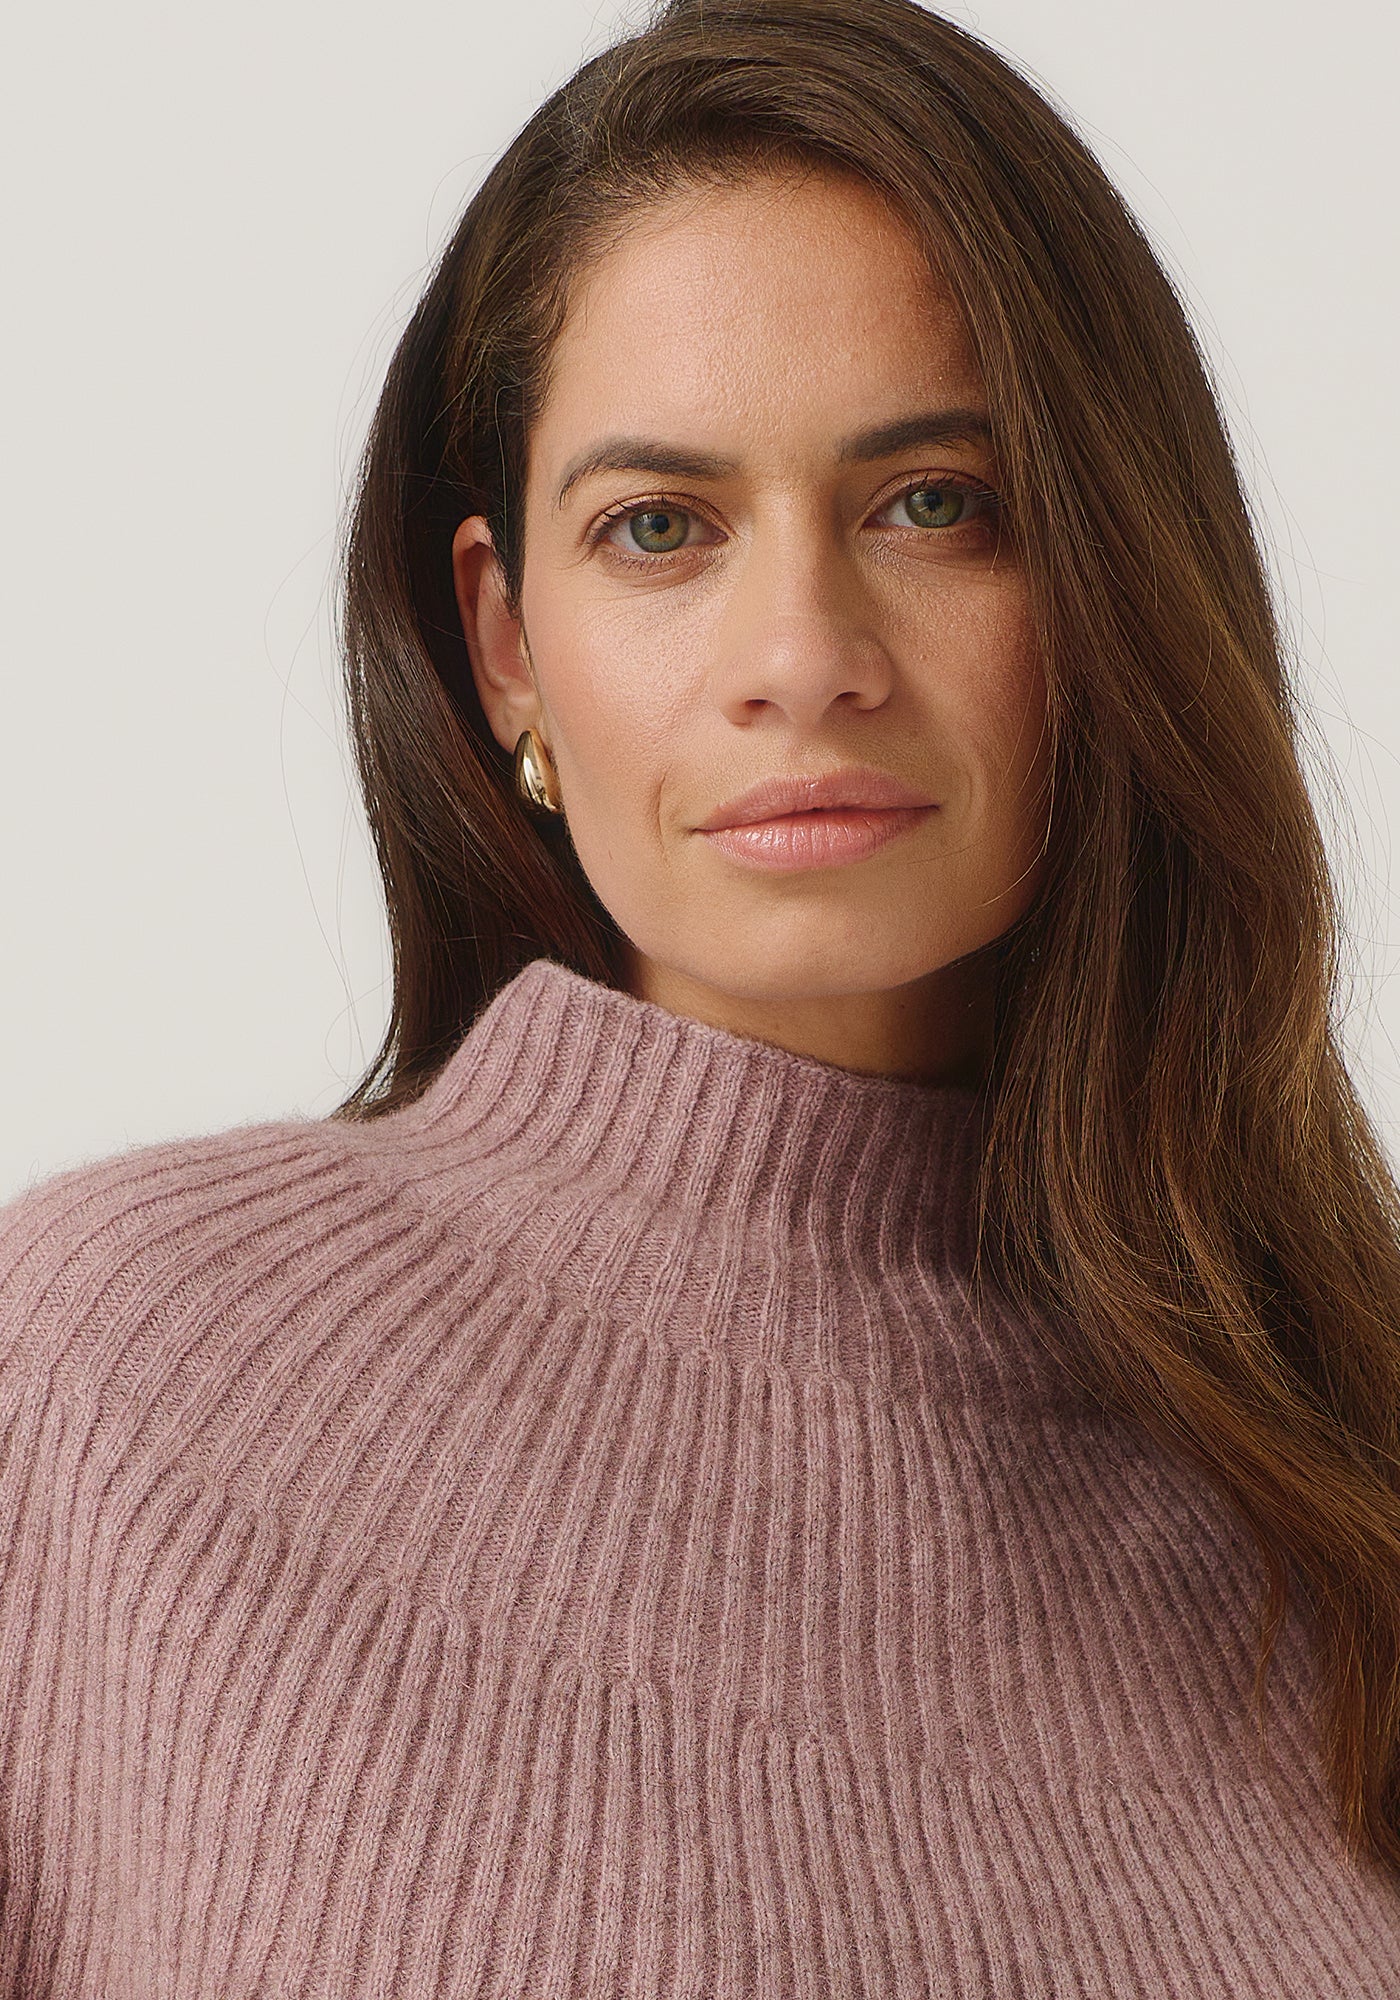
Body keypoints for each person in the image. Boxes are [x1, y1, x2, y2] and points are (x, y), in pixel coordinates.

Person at [1, 0, 1398, 1991]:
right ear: (505, 645)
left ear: (1113, 578)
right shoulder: (109, 1379)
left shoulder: (1339, 1475)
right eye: (659, 529)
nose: (802, 656)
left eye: (935, 503)